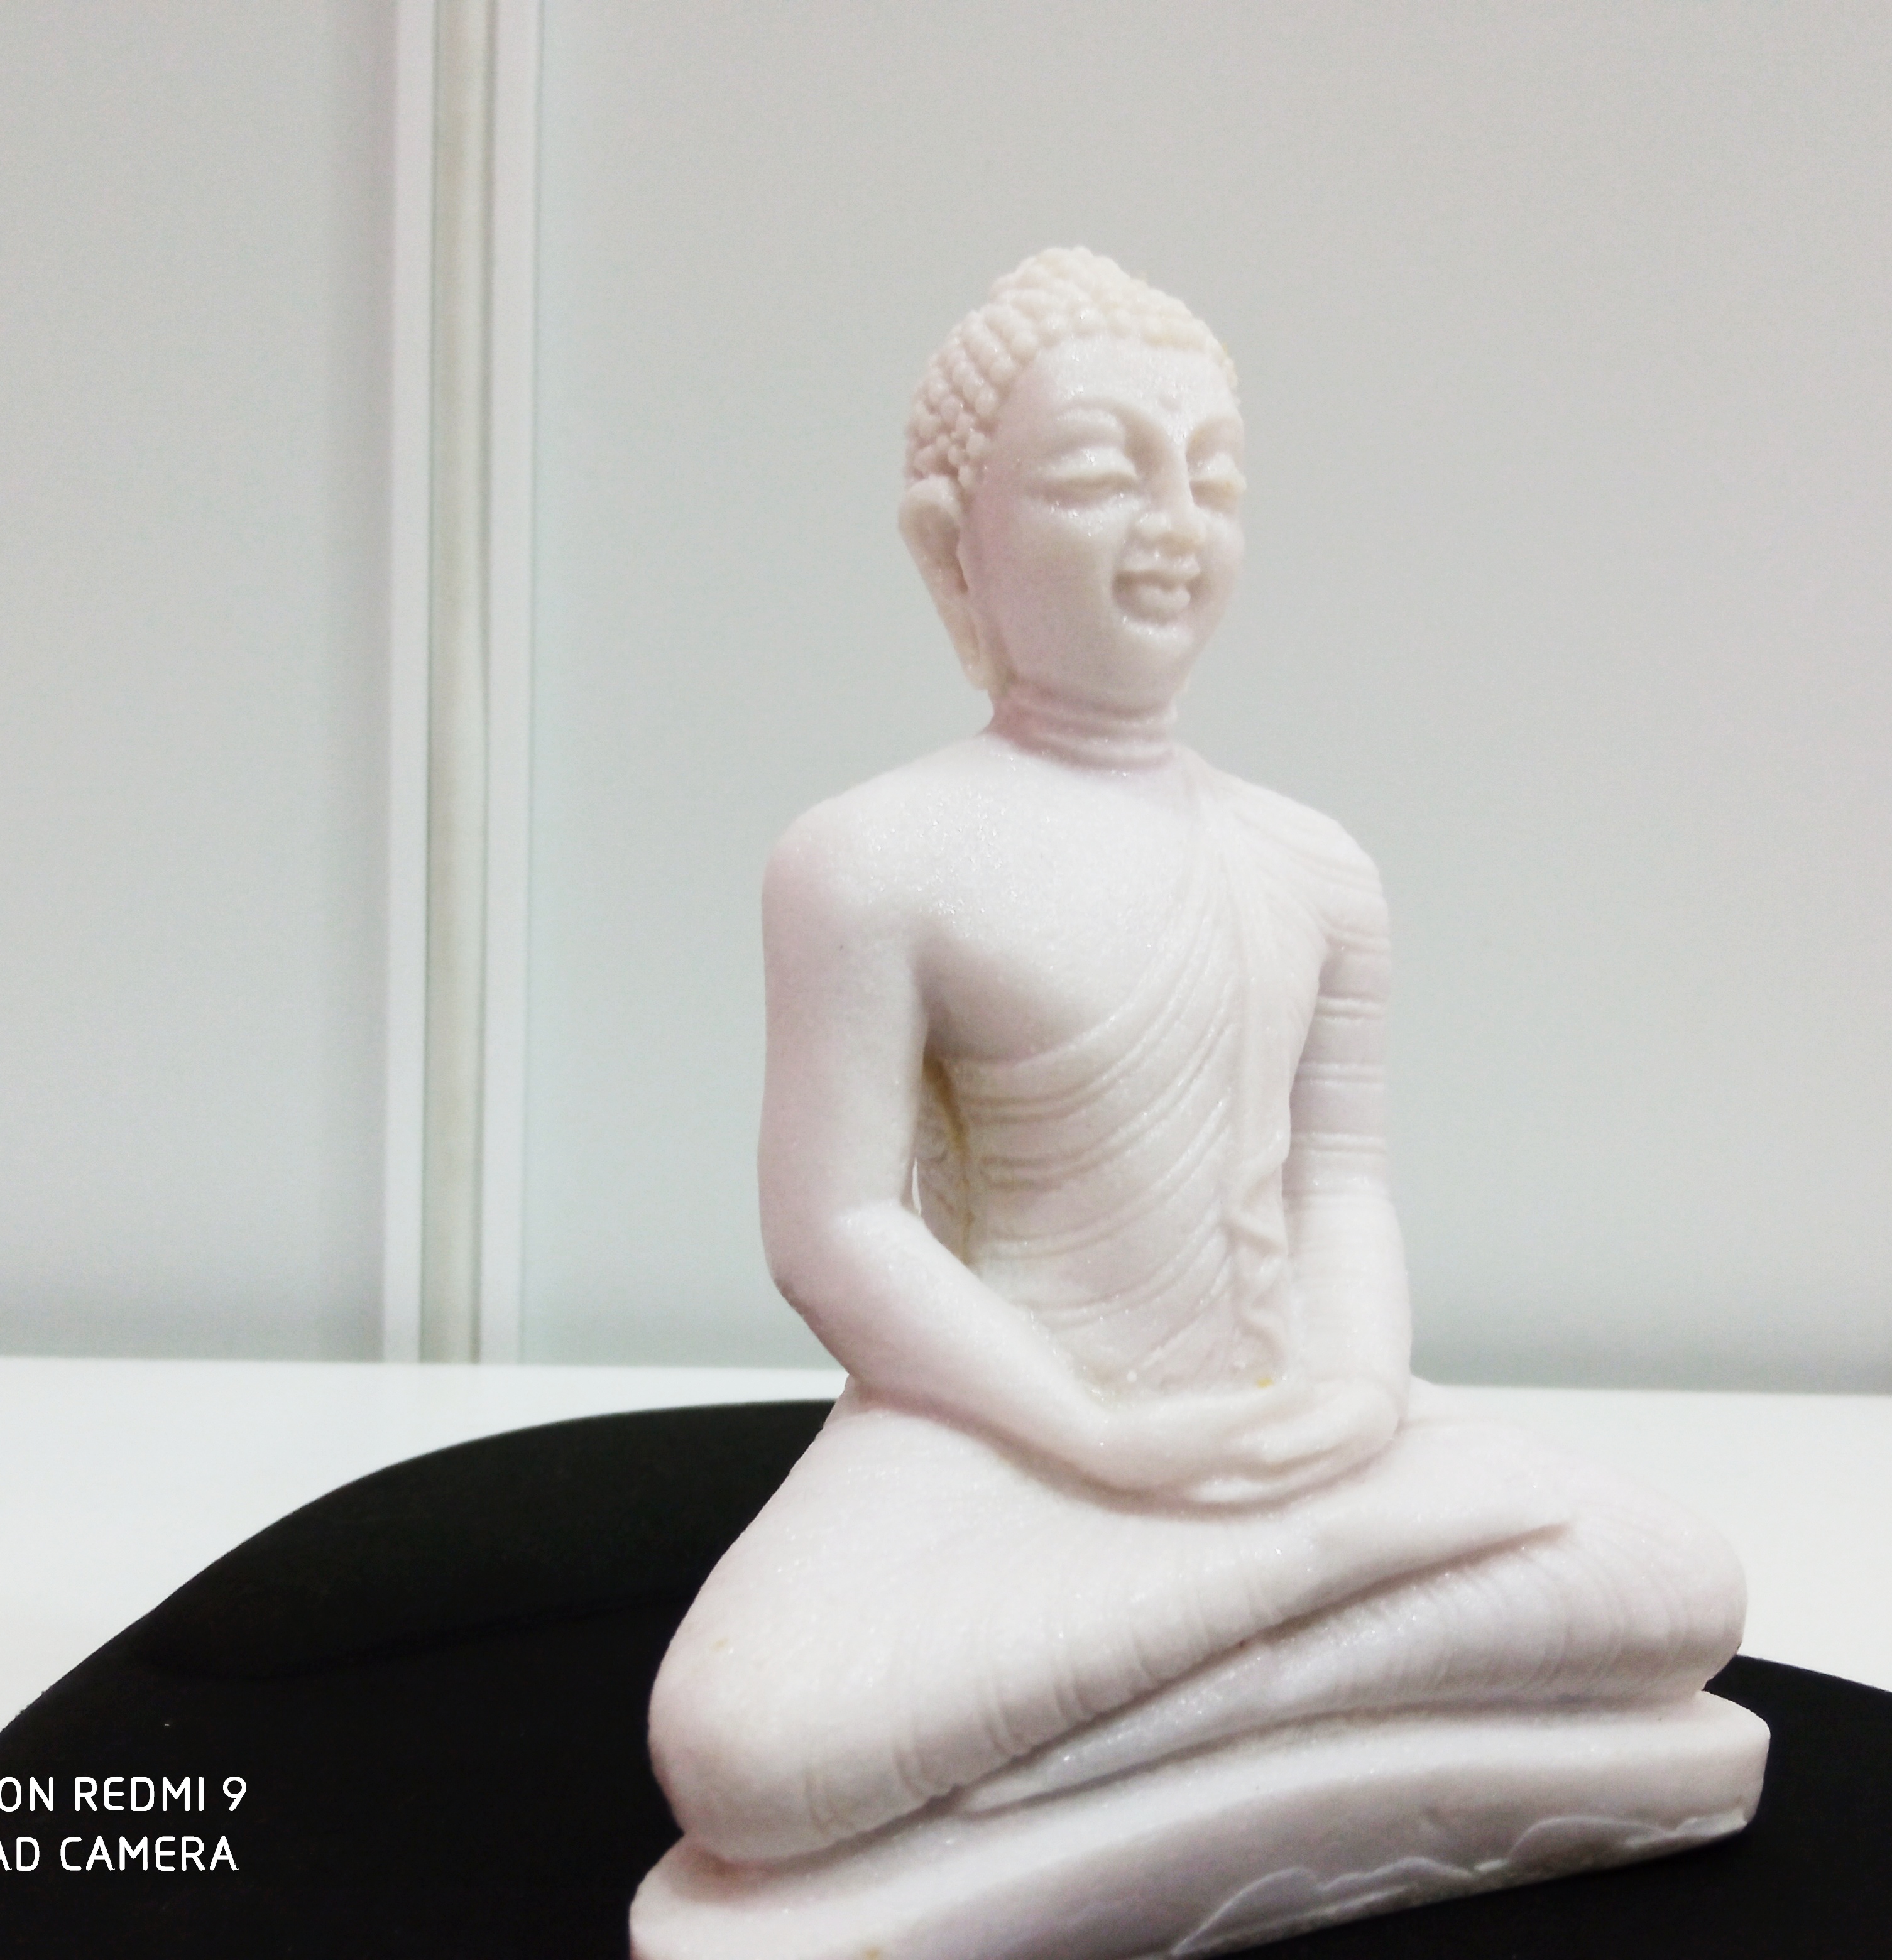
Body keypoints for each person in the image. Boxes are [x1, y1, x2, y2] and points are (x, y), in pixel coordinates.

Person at [633, 251, 1762, 1959]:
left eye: (1211, 479)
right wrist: (1097, 1440)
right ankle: (1280, 1661)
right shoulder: (870, 858)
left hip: (1285, 1417)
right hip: (993, 1433)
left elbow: (1341, 1186)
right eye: (1101, 475)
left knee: (1676, 1583)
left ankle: (1101, 1735)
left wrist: (1353, 1392)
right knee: (747, 1748)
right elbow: (839, 1228)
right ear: (950, 543)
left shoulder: (1313, 864)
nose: (1170, 525)